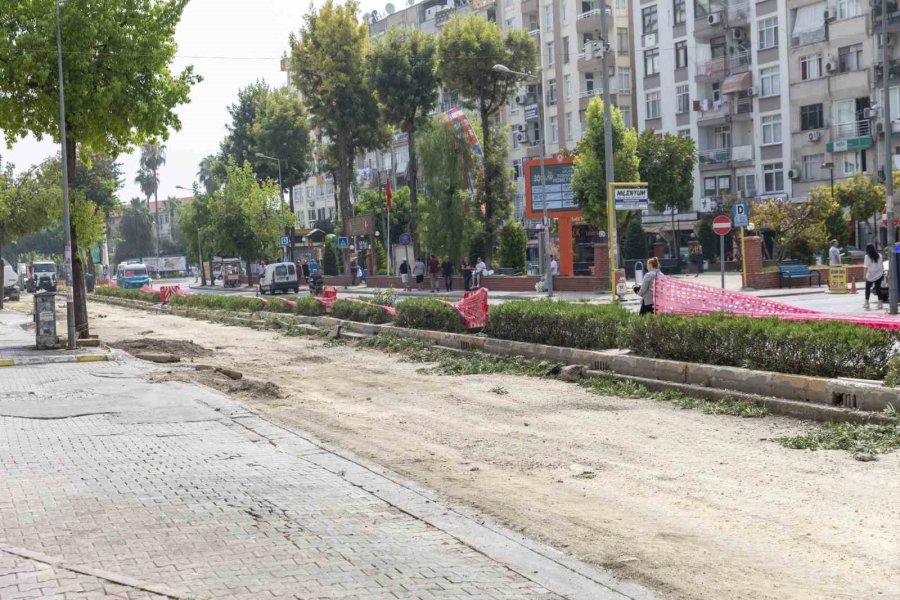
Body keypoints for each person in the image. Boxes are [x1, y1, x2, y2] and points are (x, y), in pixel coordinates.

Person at [863, 243, 885, 310]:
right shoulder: (879, 255)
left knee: (867, 288)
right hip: (879, 274)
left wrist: (864, 275)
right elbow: (881, 265)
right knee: (878, 289)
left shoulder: (867, 256)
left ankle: (867, 303)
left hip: (870, 275)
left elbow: (866, 267)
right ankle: (880, 303)